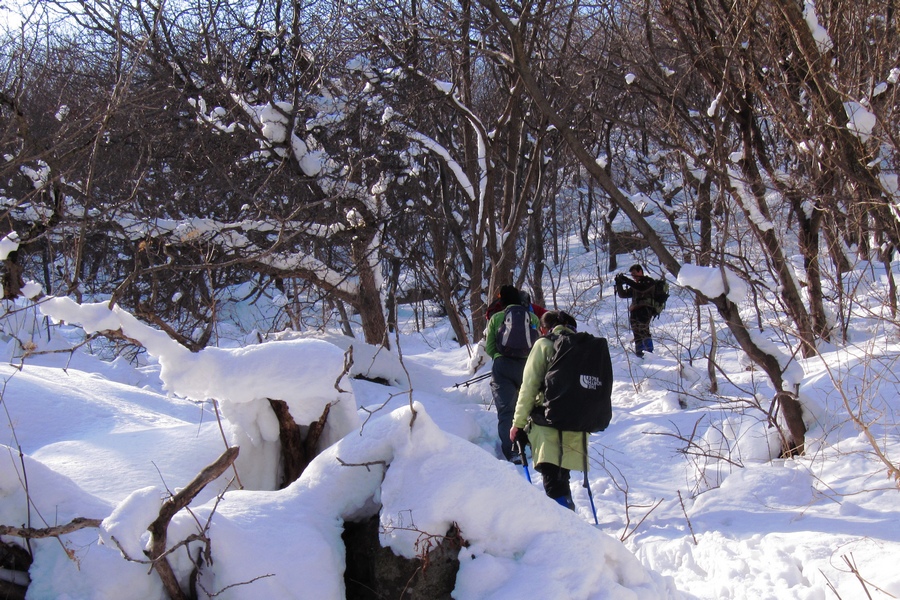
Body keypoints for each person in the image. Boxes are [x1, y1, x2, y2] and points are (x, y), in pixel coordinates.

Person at [509, 310, 583, 509]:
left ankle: (564, 527)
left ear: (545, 327)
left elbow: (529, 387)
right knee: (561, 475)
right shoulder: (582, 346)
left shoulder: (544, 344)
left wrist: (518, 423)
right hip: (577, 422)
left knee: (552, 476)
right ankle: (568, 518)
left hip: (547, 421)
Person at [485, 285, 541, 462]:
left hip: (503, 366)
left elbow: (490, 348)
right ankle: (533, 444)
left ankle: (513, 451)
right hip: (528, 366)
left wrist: (499, 357)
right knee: (529, 407)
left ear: (502, 301)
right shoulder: (532, 317)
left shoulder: (496, 318)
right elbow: (538, 343)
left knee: (506, 410)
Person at [615, 264, 657, 357]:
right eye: (632, 274)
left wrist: (627, 280)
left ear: (640, 271)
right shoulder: (635, 285)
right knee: (636, 332)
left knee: (643, 330)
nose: (633, 276)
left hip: (645, 310)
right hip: (634, 311)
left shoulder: (649, 281)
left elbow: (641, 289)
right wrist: (619, 284)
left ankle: (649, 353)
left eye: (634, 273)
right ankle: (639, 353)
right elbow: (623, 295)